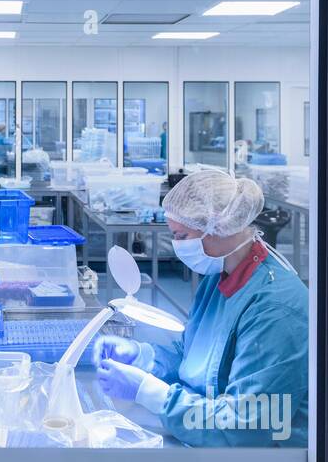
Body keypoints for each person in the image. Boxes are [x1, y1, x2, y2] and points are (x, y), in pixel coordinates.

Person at [93, 169, 308, 447]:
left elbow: (246, 427)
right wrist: (142, 357)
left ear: (221, 227)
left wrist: (149, 392)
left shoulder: (276, 309)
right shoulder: (218, 279)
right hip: (211, 439)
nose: (178, 246)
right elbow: (192, 355)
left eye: (182, 235)